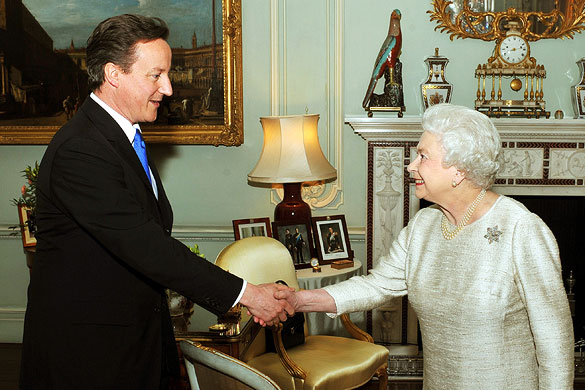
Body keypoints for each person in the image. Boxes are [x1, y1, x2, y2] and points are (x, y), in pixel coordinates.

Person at [19, 14, 292, 390]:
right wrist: (248, 295)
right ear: (114, 74)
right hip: (89, 356)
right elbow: (147, 246)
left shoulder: (125, 137)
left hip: (136, 341)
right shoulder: (80, 150)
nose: (168, 88)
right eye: (156, 75)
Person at [276, 104, 574, 389]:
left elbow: (555, 339)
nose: (410, 166)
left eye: (423, 156)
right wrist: (299, 300)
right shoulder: (424, 226)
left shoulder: (521, 229)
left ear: (458, 170)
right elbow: (376, 286)